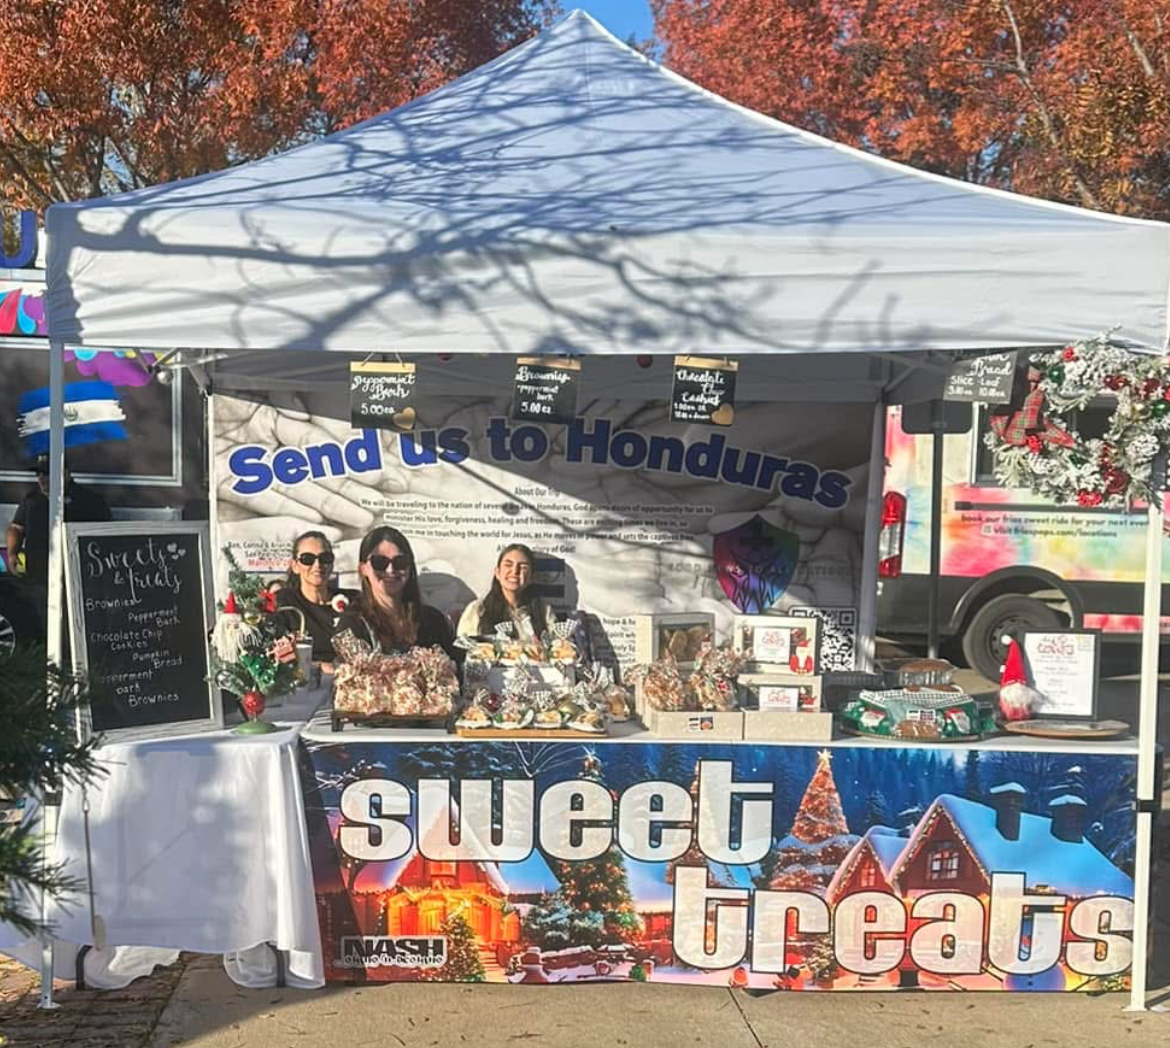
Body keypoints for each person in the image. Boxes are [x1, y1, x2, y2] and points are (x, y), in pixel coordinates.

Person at [333, 526, 459, 663]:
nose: (390, 570)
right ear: (363, 569)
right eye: (379, 562)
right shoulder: (353, 624)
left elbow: (453, 668)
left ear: (410, 567)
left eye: (400, 562)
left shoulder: (433, 620)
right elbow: (349, 673)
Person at [5, 456, 111, 583]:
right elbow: (16, 528)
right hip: (37, 577)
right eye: (38, 474)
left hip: (76, 580)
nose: (41, 478)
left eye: (47, 473)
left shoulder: (90, 501)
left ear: (65, 473)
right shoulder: (31, 500)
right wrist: (12, 554)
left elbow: (107, 537)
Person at [275, 531, 351, 673]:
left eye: (325, 558)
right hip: (304, 682)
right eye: (307, 559)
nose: (317, 565)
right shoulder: (283, 602)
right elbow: (276, 656)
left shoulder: (353, 600)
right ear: (295, 566)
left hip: (352, 681)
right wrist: (321, 667)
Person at [456, 543, 551, 640]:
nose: (515, 571)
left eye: (523, 567)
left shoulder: (544, 611)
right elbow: (465, 645)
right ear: (497, 573)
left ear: (531, 577)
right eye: (508, 565)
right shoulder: (478, 610)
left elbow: (556, 645)